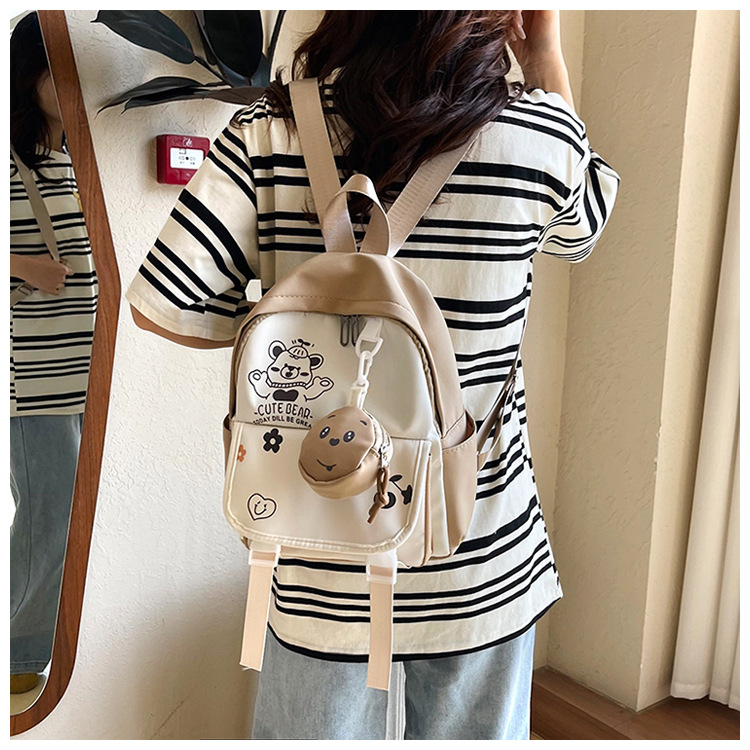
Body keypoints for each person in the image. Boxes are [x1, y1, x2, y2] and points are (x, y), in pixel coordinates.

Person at [126, 10, 619, 740]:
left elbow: (164, 304)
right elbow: (583, 232)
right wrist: (544, 51)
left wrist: (295, 329)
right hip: (479, 549)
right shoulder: (540, 138)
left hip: (319, 546)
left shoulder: (268, 132)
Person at [10, 12, 98, 695]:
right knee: (49, 516)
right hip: (34, 375)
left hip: (89, 371)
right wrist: (22, 266)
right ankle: (19, 656)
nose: (69, 86)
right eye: (56, 72)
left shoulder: (80, 158)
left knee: (69, 515)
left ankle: (36, 649)